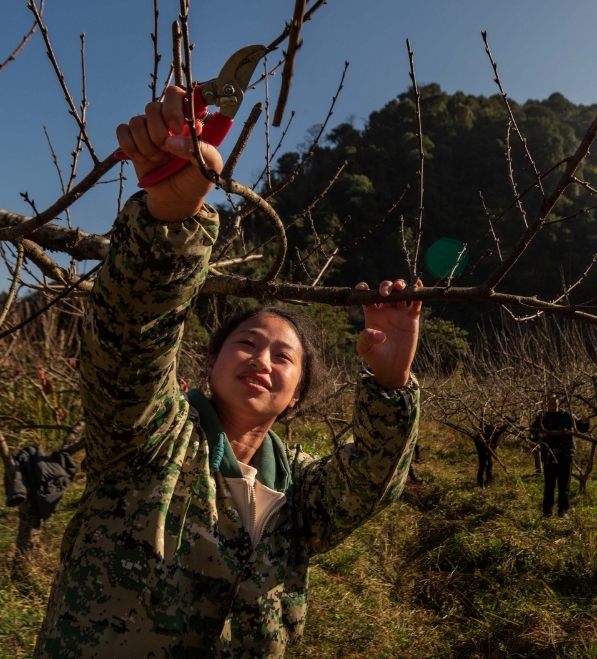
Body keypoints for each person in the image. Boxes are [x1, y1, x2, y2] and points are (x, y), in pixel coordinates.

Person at [34, 86, 423, 659]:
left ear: (294, 397)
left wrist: (391, 386)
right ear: (208, 366)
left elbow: (373, 480)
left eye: (283, 357)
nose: (263, 360)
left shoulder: (298, 496)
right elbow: (129, 339)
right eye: (246, 343)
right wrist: (169, 219)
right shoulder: (150, 441)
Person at [531, 393, 589, 517]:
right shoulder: (542, 417)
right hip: (549, 455)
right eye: (549, 399)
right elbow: (532, 433)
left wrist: (584, 422)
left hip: (565, 455)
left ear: (559, 400)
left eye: (554, 399)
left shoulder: (567, 416)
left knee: (564, 485)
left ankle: (563, 511)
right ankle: (547, 512)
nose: (552, 401)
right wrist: (539, 434)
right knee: (549, 485)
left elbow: (581, 428)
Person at [474, 419, 507, 487]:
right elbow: (489, 441)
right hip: (481, 441)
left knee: (490, 462)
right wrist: (492, 450)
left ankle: (489, 478)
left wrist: (495, 454)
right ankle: (480, 481)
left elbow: (493, 444)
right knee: (483, 463)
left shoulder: (499, 424)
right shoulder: (498, 428)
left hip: (487, 443)